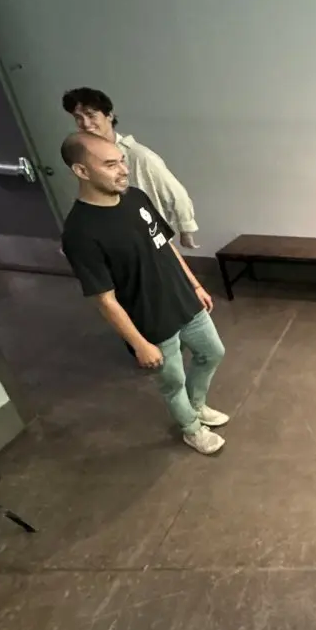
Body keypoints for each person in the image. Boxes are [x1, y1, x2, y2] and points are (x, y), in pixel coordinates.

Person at [60, 132, 228, 455]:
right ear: (81, 171)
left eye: (122, 161)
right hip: (151, 320)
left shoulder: (136, 198)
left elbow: (165, 244)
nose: (123, 170)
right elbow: (105, 300)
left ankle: (197, 406)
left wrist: (194, 284)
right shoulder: (79, 232)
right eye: (110, 164)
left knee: (213, 353)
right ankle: (191, 428)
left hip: (183, 299)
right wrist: (140, 344)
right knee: (173, 381)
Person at [63, 87, 199, 248]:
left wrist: (186, 230)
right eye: (78, 118)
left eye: (91, 115)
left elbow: (176, 193)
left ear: (109, 116)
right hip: (114, 238)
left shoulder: (140, 156)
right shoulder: (84, 155)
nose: (85, 124)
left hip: (148, 238)